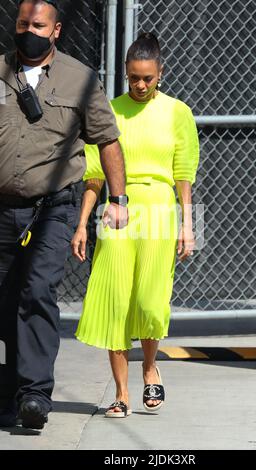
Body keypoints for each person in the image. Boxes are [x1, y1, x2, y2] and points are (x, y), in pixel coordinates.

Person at [0, 0, 128, 429]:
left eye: (37, 25)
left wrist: (118, 199)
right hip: (2, 208)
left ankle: (34, 394)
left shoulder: (80, 78)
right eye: (22, 23)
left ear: (55, 30)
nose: (28, 31)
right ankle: (9, 393)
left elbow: (107, 139)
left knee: (36, 291)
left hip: (53, 208)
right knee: (5, 301)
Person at [72, 33, 199, 418]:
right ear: (125, 75)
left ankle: (149, 367)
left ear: (161, 73)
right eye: (133, 79)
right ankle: (122, 394)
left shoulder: (178, 112)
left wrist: (188, 225)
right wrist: (82, 225)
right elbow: (94, 175)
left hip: (160, 210)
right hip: (117, 210)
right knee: (115, 301)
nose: (140, 86)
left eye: (147, 78)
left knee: (149, 300)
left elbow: (183, 175)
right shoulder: (109, 111)